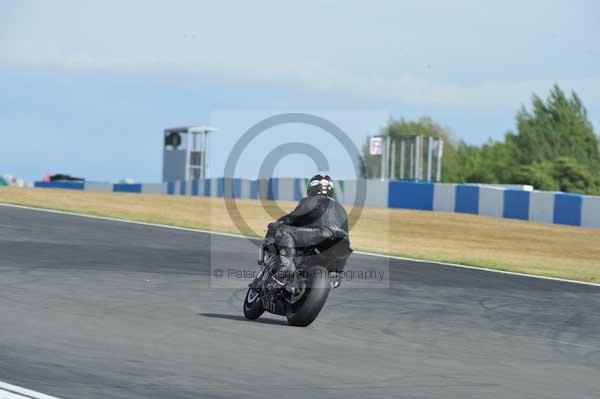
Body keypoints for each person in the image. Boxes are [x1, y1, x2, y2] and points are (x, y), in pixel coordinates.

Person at [266, 174, 352, 286]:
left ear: (312, 187)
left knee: (284, 231)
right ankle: (335, 274)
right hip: (342, 242)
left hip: (320, 234)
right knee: (334, 271)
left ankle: (285, 269)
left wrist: (277, 224)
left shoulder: (312, 200)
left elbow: (293, 218)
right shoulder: (341, 208)